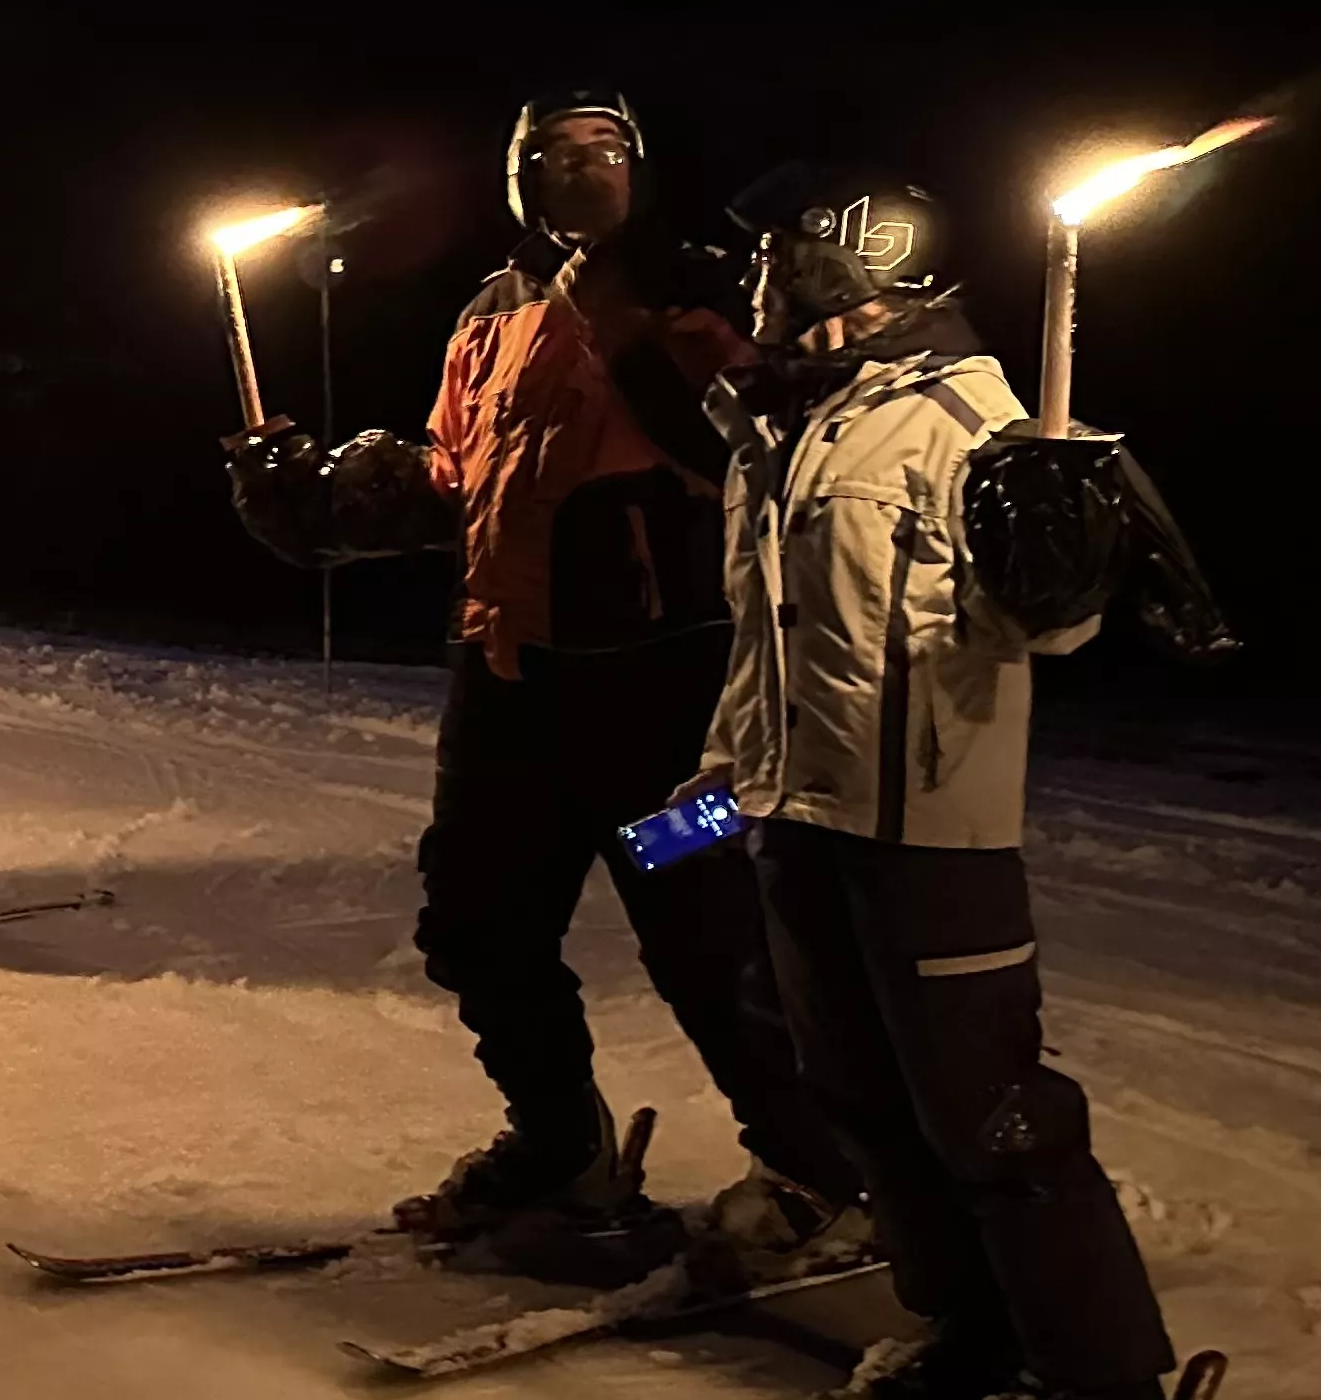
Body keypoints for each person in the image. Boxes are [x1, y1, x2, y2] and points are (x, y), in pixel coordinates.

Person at [222, 94, 863, 1265]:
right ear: (519, 178)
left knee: (708, 936)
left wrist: (681, 329)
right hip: (511, 684)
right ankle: (560, 1142)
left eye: (604, 150)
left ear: (641, 166)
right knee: (476, 923)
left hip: (671, 699)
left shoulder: (698, 286)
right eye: (553, 156)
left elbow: (770, 453)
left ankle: (822, 1164)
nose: (581, 170)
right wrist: (326, 500)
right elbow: (457, 479)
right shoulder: (492, 307)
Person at [682, 170, 1175, 1400]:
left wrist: (1067, 548)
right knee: (862, 1102)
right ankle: (972, 1334)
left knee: (992, 1116)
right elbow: (764, 637)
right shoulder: (787, 426)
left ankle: (1107, 1393)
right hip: (799, 814)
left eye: (773, 259)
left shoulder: (981, 422)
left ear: (850, 262)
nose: (755, 285)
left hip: (929, 837)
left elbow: (1055, 624)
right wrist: (722, 776)